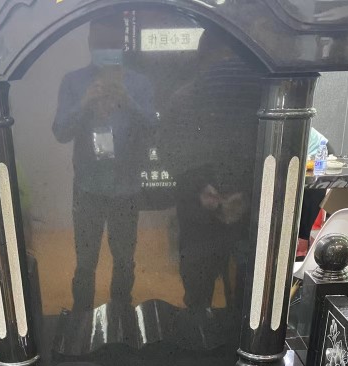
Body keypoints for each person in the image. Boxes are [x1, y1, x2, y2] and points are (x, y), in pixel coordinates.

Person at [52, 15, 156, 311]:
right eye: (100, 43)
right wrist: (84, 102)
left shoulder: (139, 83)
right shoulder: (74, 82)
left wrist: (129, 102)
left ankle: (121, 311)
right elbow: (60, 132)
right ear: (89, 43)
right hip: (88, 187)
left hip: (127, 188)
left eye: (112, 43)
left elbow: (153, 130)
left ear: (123, 44)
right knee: (85, 261)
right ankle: (82, 316)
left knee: (124, 259)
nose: (106, 49)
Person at [160, 27, 262, 311]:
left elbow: (168, 151)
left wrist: (242, 194)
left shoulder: (184, 97)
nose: (226, 71)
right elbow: (169, 150)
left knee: (239, 293)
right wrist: (204, 188)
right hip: (205, 215)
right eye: (222, 61)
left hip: (237, 214)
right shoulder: (185, 99)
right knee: (205, 291)